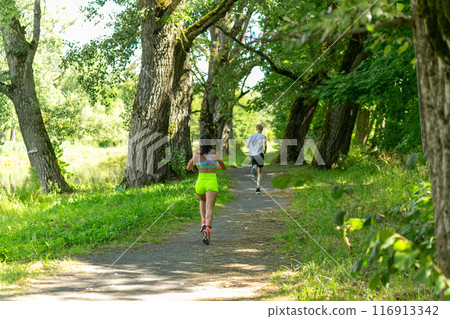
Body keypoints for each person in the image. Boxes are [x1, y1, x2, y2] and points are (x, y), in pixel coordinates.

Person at [187, 135, 226, 245]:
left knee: (202, 201)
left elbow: (188, 167)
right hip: (211, 182)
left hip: (200, 182)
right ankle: (207, 229)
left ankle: (203, 220)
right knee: (210, 207)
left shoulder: (197, 154)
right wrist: (215, 164)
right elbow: (223, 167)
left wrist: (197, 162)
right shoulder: (215, 154)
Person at [246, 124, 267, 194]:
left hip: (253, 155)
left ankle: (254, 166)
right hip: (260, 154)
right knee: (260, 172)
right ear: (262, 130)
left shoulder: (251, 136)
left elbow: (247, 145)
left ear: (256, 129)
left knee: (255, 172)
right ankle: (258, 189)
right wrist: (265, 150)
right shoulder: (263, 136)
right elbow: (265, 144)